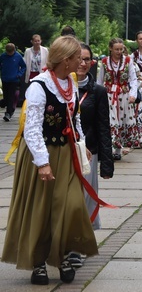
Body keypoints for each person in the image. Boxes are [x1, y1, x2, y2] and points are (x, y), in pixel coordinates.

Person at [2, 35, 98, 285]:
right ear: (66, 60)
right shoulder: (39, 86)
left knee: (71, 205)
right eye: (78, 56)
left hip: (66, 153)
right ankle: (38, 263)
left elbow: (74, 117)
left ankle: (64, 254)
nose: (83, 60)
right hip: (40, 154)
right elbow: (32, 129)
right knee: (41, 209)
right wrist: (42, 162)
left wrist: (81, 144)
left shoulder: (71, 83)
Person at [76, 43, 114, 231]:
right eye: (78, 58)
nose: (82, 63)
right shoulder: (58, 87)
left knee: (85, 197)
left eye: (86, 59)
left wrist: (107, 163)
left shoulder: (98, 91)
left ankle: (79, 244)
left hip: (88, 153)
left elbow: (103, 127)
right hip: (62, 151)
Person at [97, 38, 139, 159]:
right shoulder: (105, 61)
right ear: (111, 49)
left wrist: (133, 94)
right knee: (110, 121)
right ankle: (109, 149)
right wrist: (97, 96)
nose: (119, 51)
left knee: (122, 121)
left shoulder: (127, 61)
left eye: (121, 49)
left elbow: (133, 78)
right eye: (116, 49)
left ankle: (118, 150)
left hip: (123, 95)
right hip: (109, 95)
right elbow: (100, 80)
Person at [0, 43, 26, 122]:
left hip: (14, 80)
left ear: (14, 50)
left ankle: (8, 113)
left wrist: (19, 74)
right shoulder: (3, 56)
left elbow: (24, 66)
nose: (9, 54)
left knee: (11, 96)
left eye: (11, 52)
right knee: (6, 96)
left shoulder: (18, 56)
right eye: (8, 52)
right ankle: (8, 107)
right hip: (5, 79)